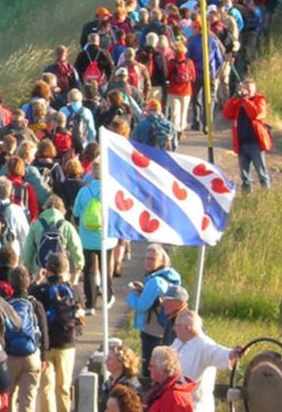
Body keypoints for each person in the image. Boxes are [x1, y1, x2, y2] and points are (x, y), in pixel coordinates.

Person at [29, 255, 80, 412]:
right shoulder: (73, 290)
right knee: (63, 386)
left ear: (47, 269)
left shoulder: (39, 290)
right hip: (67, 343)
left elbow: (29, 301)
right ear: (66, 269)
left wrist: (37, 280)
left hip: (46, 345)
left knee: (46, 388)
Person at [0, 267, 47, 412]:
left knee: (9, 396)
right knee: (28, 399)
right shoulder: (35, 304)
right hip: (31, 355)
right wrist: (43, 356)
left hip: (10, 356)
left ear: (10, 283)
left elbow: (1, 332)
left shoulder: (6, 304)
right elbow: (43, 331)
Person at [126, 245, 181, 377]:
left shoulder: (155, 281)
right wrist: (143, 290)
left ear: (162, 261)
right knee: (163, 366)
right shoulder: (169, 277)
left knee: (150, 367)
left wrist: (129, 295)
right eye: (146, 258)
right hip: (164, 327)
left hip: (152, 329)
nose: (148, 261)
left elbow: (141, 306)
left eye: (152, 259)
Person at [71, 162, 117, 313]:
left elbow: (76, 212)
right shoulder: (110, 191)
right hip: (106, 236)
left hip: (87, 237)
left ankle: (90, 304)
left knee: (89, 270)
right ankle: (108, 297)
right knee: (105, 268)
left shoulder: (84, 191)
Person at [222, 77, 272, 192]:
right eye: (245, 89)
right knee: (245, 176)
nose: (247, 92)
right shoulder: (240, 102)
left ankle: (267, 194)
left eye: (249, 89)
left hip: (255, 144)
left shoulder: (260, 101)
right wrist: (234, 99)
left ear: (254, 90)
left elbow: (256, 114)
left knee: (262, 173)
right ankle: (246, 196)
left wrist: (246, 100)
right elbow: (227, 114)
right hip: (241, 143)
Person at [21, 195, 84, 277]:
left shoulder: (36, 225)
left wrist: (26, 267)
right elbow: (76, 248)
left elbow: (28, 249)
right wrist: (79, 266)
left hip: (40, 271)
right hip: (61, 270)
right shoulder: (67, 226)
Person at [101, 343, 144, 412]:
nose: (106, 361)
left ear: (121, 362)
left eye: (110, 359)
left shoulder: (129, 386)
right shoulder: (109, 382)